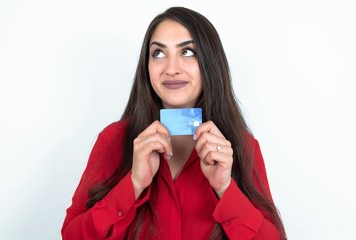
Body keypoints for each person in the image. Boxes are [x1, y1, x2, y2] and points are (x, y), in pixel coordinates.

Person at [61, 6, 286, 240]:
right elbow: (72, 236)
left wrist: (225, 189)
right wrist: (134, 184)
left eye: (187, 52)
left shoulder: (242, 147)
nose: (171, 69)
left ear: (209, 63)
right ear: (146, 67)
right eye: (158, 53)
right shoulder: (114, 139)